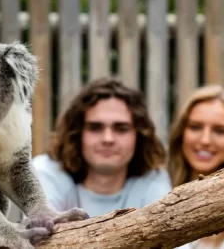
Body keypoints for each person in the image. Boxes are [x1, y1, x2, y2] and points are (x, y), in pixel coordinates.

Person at [32, 77, 172, 218]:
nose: (108, 139)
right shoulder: (47, 171)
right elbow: (41, 233)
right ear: (77, 133)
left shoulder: (153, 179)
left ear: (139, 135)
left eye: (121, 128)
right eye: (95, 128)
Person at [168, 85, 224, 249]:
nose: (205, 140)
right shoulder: (155, 189)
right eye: (195, 127)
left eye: (220, 131)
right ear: (181, 132)